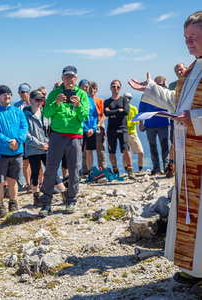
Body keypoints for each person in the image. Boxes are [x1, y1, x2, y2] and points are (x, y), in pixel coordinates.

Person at [128, 11, 202, 296]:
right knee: (190, 213)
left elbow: (190, 110)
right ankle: (194, 268)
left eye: (193, 37)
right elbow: (178, 102)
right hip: (188, 155)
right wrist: (151, 89)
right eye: (185, 38)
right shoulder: (195, 68)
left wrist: (194, 117)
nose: (188, 43)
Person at [39, 65, 89, 216]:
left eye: (72, 77)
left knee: (74, 170)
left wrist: (78, 105)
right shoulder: (54, 93)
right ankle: (46, 203)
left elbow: (84, 117)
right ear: (62, 78)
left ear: (76, 78)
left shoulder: (82, 94)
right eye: (67, 76)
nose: (70, 79)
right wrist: (57, 103)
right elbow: (46, 113)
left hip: (75, 136)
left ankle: (71, 201)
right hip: (57, 136)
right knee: (51, 168)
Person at [0, 85, 28, 217]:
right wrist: (8, 142)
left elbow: (24, 127)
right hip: (0, 154)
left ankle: (13, 201)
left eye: (9, 94)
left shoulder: (18, 111)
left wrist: (18, 140)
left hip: (17, 152)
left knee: (13, 180)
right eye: (4, 94)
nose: (7, 96)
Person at [24, 90, 65, 206]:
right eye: (37, 100)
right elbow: (25, 134)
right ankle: (36, 196)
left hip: (47, 147)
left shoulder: (45, 113)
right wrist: (39, 144)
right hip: (33, 149)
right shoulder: (24, 115)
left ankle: (64, 193)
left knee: (51, 170)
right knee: (35, 172)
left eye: (41, 100)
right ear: (30, 100)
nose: (39, 102)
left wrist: (48, 143)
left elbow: (50, 129)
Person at [138, 76, 170, 175]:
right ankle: (156, 168)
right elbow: (141, 110)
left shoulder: (166, 95)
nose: (158, 87)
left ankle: (166, 168)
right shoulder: (146, 95)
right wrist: (141, 123)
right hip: (150, 125)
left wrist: (167, 88)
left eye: (160, 84)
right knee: (153, 147)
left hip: (163, 124)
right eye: (156, 84)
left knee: (165, 147)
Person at [104, 80, 135, 179]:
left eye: (117, 87)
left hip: (123, 128)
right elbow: (106, 113)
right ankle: (115, 170)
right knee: (112, 151)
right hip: (111, 130)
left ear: (120, 88)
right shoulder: (107, 101)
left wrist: (112, 111)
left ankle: (130, 170)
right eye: (113, 86)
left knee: (126, 149)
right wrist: (118, 110)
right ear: (110, 88)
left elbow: (126, 112)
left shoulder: (124, 100)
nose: (115, 88)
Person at [167, 64, 188, 178]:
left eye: (181, 69)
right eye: (177, 70)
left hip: (190, 116)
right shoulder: (172, 85)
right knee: (175, 142)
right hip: (175, 117)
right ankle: (172, 166)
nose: (179, 72)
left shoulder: (193, 82)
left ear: (186, 69)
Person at [14, 83, 32, 191]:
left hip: (34, 136)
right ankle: (28, 183)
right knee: (25, 163)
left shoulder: (34, 103)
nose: (23, 94)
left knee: (36, 162)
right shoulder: (16, 106)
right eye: (21, 92)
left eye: (25, 92)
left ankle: (39, 182)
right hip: (22, 136)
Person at [124, 92, 144, 172]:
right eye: (126, 97)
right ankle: (127, 169)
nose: (127, 99)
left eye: (129, 98)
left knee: (141, 152)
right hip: (124, 133)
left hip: (132, 133)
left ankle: (140, 169)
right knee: (126, 153)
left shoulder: (134, 108)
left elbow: (137, 120)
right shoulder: (121, 108)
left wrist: (128, 123)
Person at [89, 81, 106, 169]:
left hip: (98, 126)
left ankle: (102, 167)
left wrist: (99, 124)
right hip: (88, 127)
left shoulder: (99, 101)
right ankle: (87, 170)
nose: (92, 90)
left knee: (100, 148)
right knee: (87, 150)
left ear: (96, 90)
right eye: (90, 88)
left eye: (94, 88)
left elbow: (103, 114)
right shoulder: (85, 100)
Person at [83, 83, 98, 172]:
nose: (86, 88)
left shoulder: (91, 100)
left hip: (91, 129)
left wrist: (93, 128)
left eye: (87, 87)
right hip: (81, 129)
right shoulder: (78, 99)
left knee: (89, 151)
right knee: (79, 151)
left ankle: (90, 171)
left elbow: (95, 115)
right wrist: (85, 129)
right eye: (84, 86)